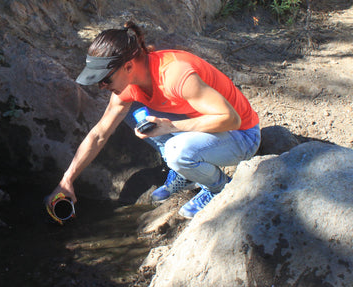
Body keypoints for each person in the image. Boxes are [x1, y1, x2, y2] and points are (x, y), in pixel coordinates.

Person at [47, 21, 260, 219]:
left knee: (177, 150)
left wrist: (172, 126)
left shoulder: (175, 75)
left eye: (105, 79)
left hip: (241, 135)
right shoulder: (129, 85)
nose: (102, 86)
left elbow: (231, 119)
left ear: (128, 66)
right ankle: (185, 171)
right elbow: (99, 134)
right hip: (210, 126)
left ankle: (219, 187)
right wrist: (67, 180)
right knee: (134, 113)